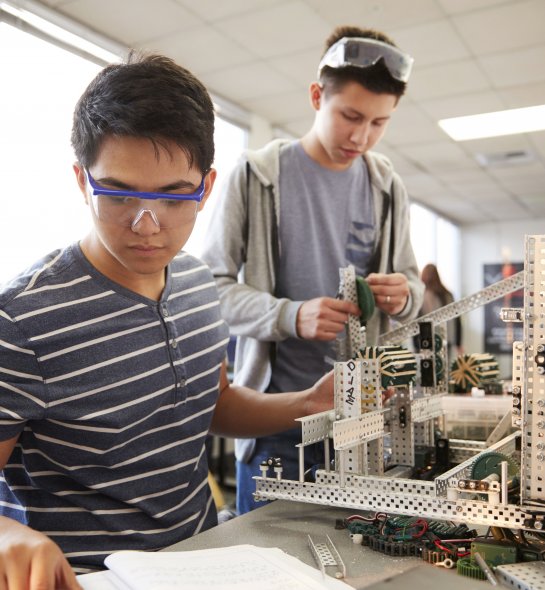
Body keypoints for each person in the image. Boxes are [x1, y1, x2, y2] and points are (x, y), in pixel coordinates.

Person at [0, 52, 334, 586]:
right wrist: (6, 535)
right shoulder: (21, 319)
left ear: (206, 185)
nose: (148, 225)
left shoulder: (201, 284)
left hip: (206, 559)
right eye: (119, 193)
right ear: (82, 182)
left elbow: (210, 402)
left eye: (175, 198)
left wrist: (307, 405)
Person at [201, 25, 424, 515]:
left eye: (379, 123)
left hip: (363, 425)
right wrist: (289, 315)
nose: (362, 136)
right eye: (350, 116)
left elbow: (414, 290)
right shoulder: (256, 175)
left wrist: (403, 295)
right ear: (316, 95)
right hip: (276, 429)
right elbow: (209, 290)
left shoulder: (388, 187)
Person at [419, 263, 463, 357]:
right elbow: (457, 320)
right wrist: (459, 343)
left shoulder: (423, 296)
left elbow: (419, 322)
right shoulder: (448, 295)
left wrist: (417, 345)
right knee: (445, 368)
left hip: (428, 342)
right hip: (448, 340)